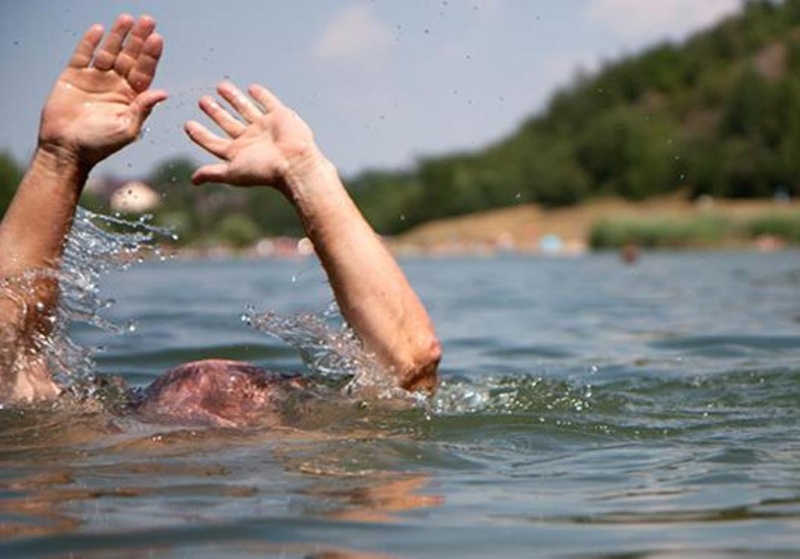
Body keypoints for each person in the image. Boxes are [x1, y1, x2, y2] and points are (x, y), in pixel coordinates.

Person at [0, 15, 441, 426]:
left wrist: (59, 161)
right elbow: (408, 369)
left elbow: (10, 360)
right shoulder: (321, 444)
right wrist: (307, 174)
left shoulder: (93, 434)